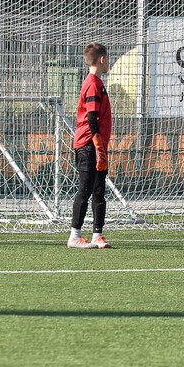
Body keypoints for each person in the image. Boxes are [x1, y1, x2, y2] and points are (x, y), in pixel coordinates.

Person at [69, 43, 113, 249]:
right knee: (85, 189)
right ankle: (74, 236)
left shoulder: (97, 82)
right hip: (88, 144)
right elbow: (92, 116)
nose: (109, 62)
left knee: (98, 190)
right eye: (108, 58)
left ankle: (97, 234)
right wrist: (97, 144)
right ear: (102, 59)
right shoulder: (93, 83)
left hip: (97, 145)